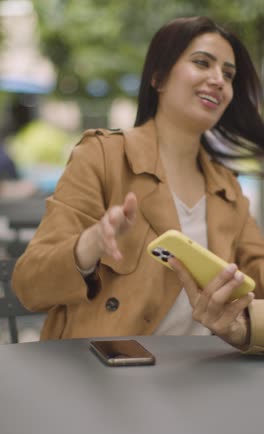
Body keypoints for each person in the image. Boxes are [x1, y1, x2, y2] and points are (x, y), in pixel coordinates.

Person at [12, 16, 264, 353]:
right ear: (158, 77)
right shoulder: (102, 156)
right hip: (102, 374)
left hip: (201, 375)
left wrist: (242, 327)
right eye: (202, 63)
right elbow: (29, 285)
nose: (218, 79)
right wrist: (87, 247)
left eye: (229, 74)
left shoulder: (228, 188)